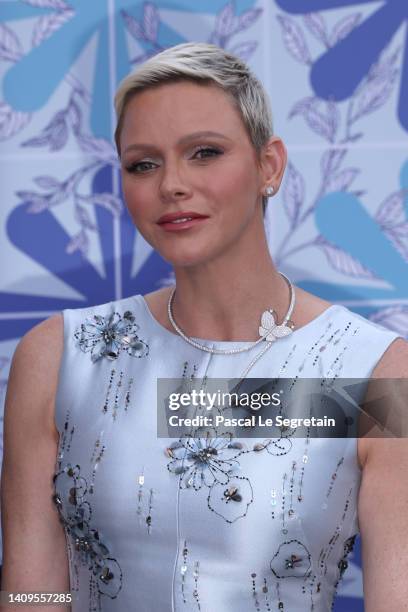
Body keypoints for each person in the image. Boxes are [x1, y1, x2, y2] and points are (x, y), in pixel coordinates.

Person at [1, 42, 408, 612]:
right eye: (143, 163)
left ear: (269, 165)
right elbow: (32, 592)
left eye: (204, 152)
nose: (171, 184)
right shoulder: (60, 356)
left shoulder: (377, 373)